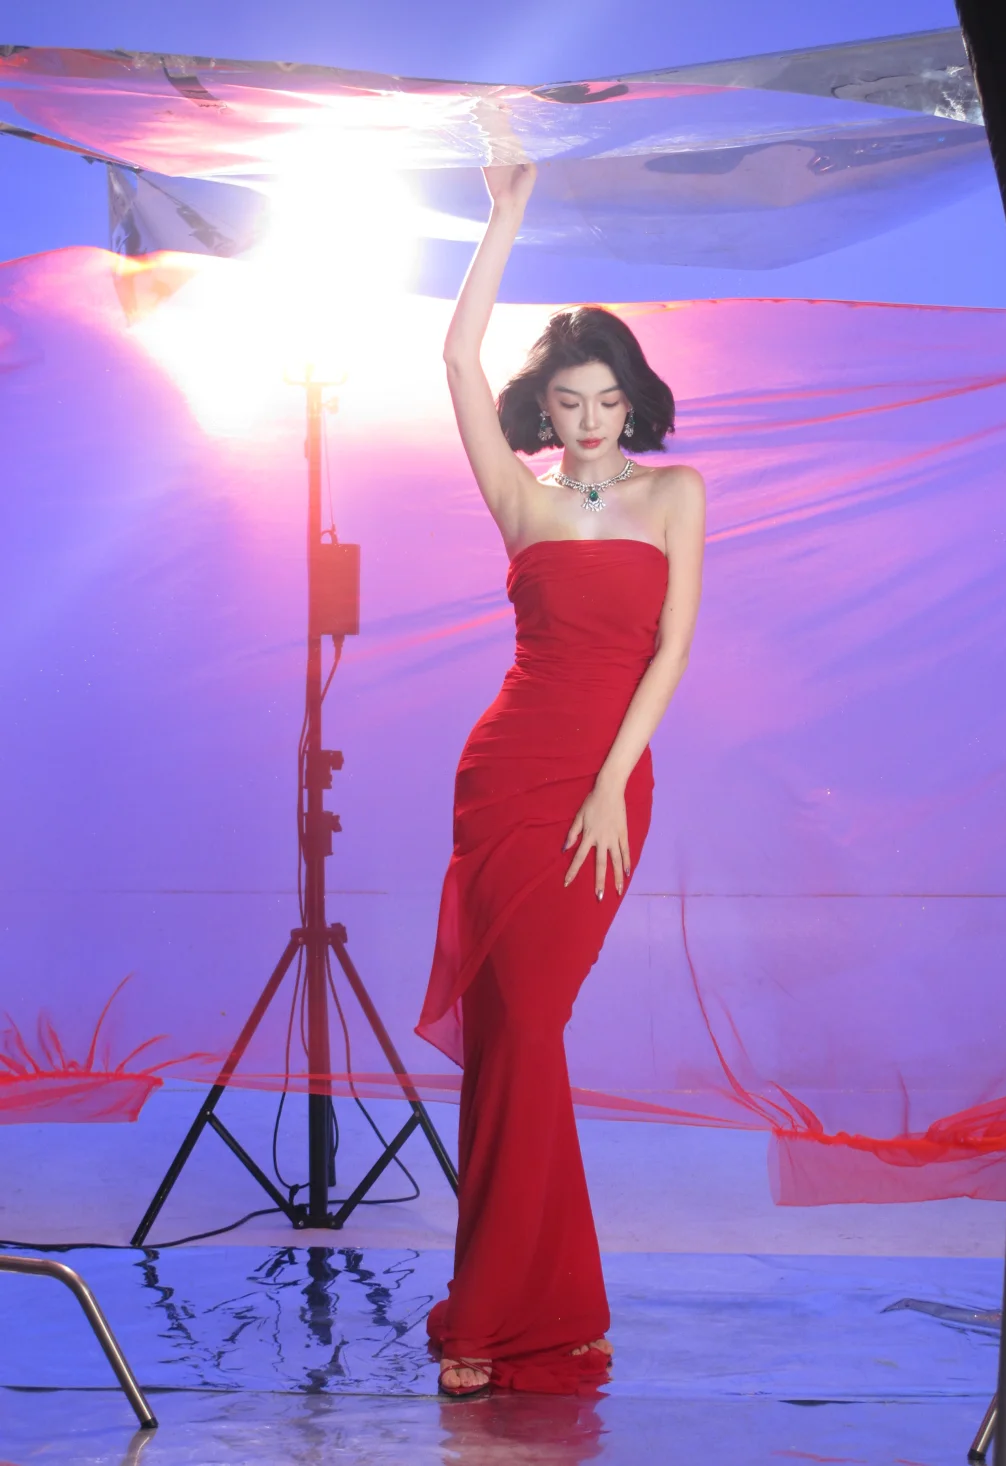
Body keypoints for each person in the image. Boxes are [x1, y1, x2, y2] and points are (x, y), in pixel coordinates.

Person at [415, 160, 705, 1396]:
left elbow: (672, 650)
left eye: (608, 401)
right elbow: (455, 357)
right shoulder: (521, 498)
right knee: (509, 1041)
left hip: (602, 787)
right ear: (549, 406)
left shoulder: (675, 493)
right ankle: (536, 1308)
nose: (590, 422)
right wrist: (507, 214)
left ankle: (507, 1311)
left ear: (634, 402)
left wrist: (606, 785)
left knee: (530, 1028)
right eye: (570, 402)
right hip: (503, 778)